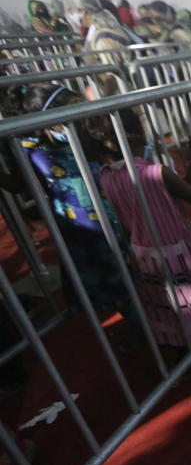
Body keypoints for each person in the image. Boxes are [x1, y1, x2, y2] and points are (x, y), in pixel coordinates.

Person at [92, 117, 191, 372]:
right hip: (175, 248)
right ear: (139, 137)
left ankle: (188, 346)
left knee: (170, 303)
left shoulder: (105, 177)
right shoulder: (155, 172)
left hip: (143, 251)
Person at [12, 84, 140, 349]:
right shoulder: (28, 146)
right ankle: (138, 324)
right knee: (103, 278)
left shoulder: (86, 135)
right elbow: (18, 183)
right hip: (75, 226)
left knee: (125, 275)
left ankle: (145, 325)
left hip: (106, 217)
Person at [63, 0, 141, 94]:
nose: (69, 15)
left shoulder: (103, 36)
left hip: (123, 96)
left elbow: (112, 77)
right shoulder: (96, 30)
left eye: (70, 10)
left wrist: (103, 106)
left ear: (82, 10)